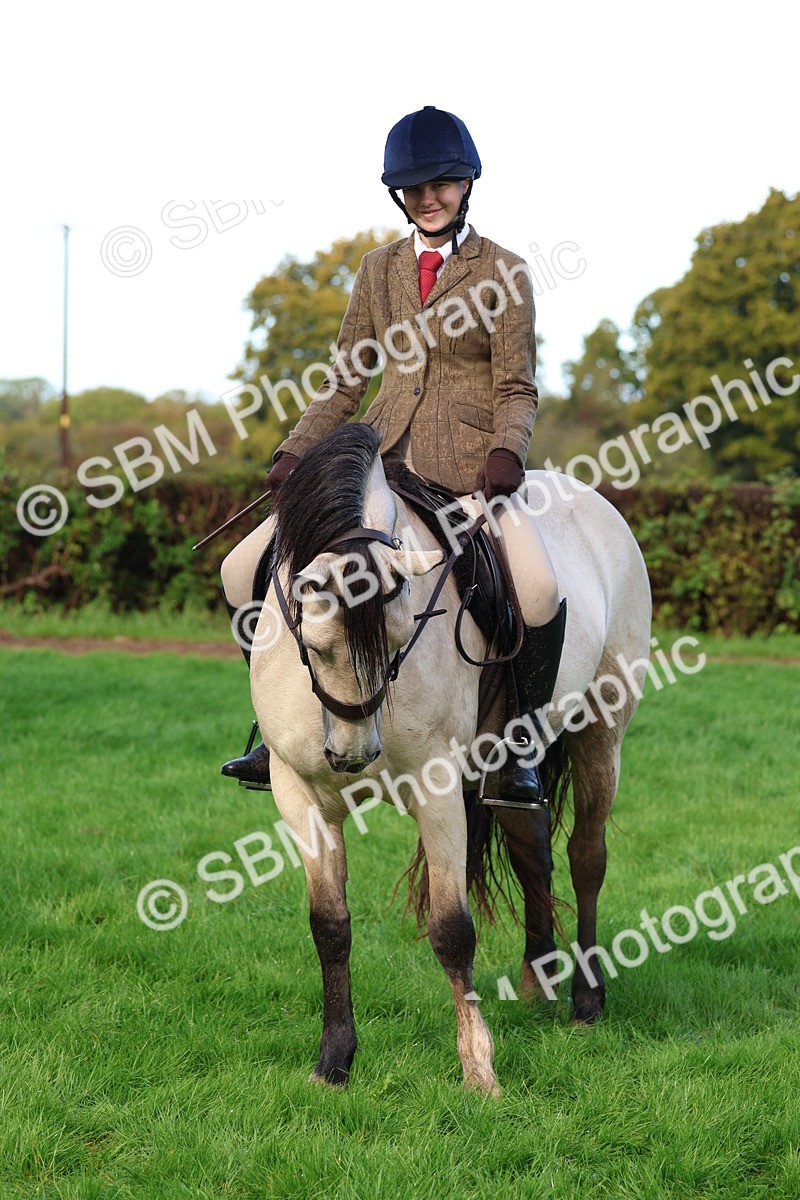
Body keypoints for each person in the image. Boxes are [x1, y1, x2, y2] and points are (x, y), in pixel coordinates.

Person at [219, 105, 566, 809]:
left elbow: (517, 385)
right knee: (240, 569)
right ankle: (270, 727)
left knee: (537, 590)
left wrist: (507, 448)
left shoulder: (505, 271)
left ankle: (521, 746)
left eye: (440, 183)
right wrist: (295, 449)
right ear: (398, 195)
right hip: (377, 462)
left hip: (471, 473)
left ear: (466, 183)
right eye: (414, 188)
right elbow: (348, 377)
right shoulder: (377, 271)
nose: (427, 197)